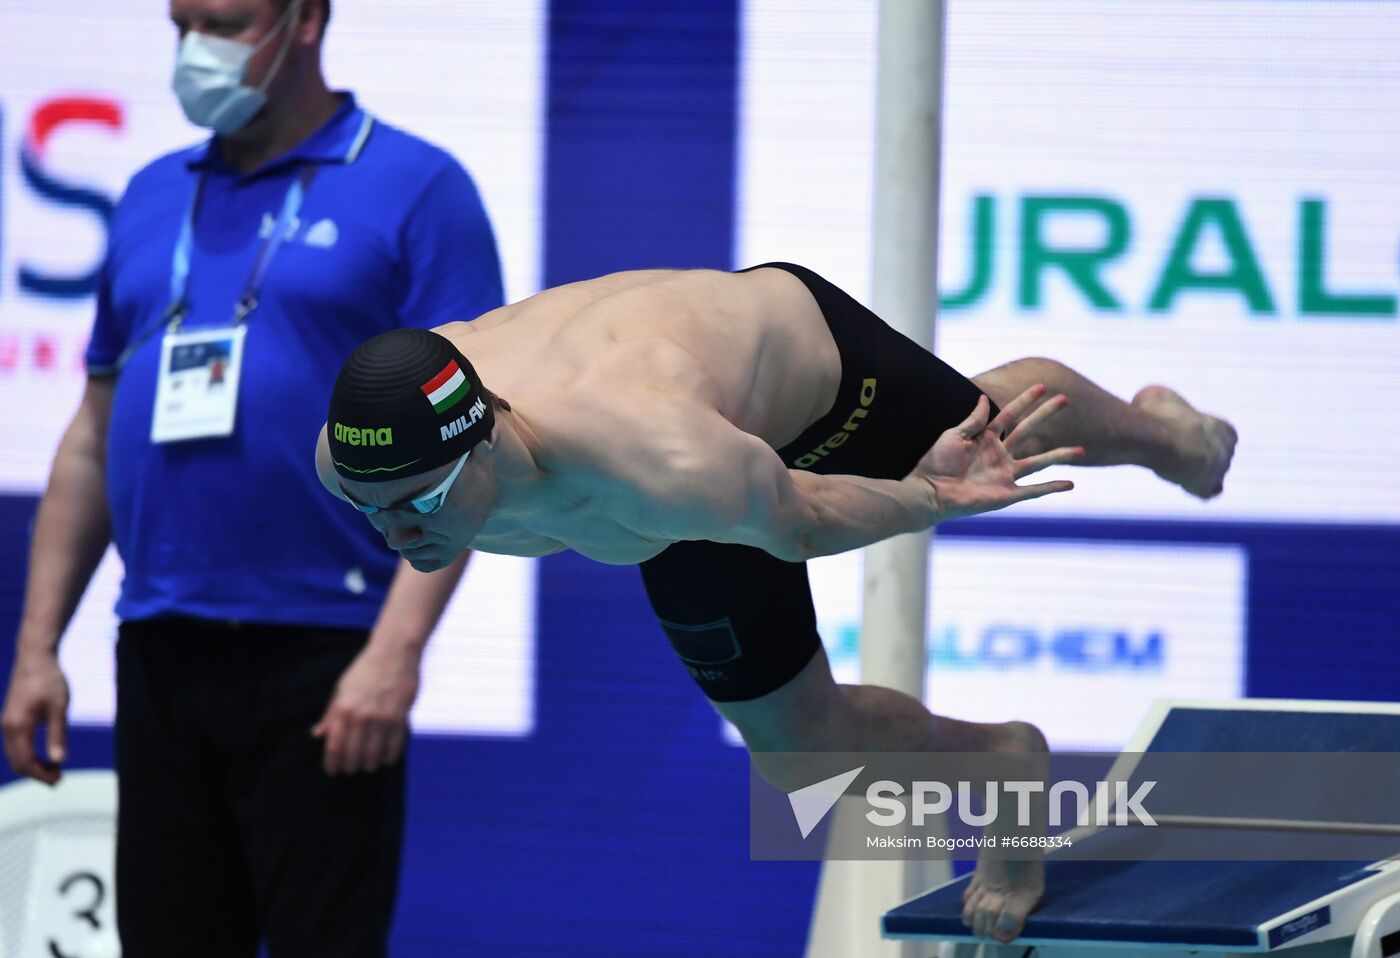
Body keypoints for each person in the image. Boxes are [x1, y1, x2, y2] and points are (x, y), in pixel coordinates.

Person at [316, 262, 1237, 943]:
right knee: (803, 760)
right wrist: (400, 503)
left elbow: (802, 517)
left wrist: (930, 496)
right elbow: (397, 487)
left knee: (986, 434)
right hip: (672, 478)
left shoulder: (654, 454)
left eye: (421, 505)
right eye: (372, 508)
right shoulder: (353, 458)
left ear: (483, 448)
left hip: (807, 379)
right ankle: (1004, 762)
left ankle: (1167, 436)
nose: (396, 534)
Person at [1, 1, 503, 955]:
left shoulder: (415, 188)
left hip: (327, 653)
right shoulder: (152, 195)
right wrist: (37, 649)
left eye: (224, 22)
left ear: (305, 18)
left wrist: (395, 654)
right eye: (181, 22)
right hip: (160, 645)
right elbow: (89, 438)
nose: (197, 50)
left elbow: (474, 447)